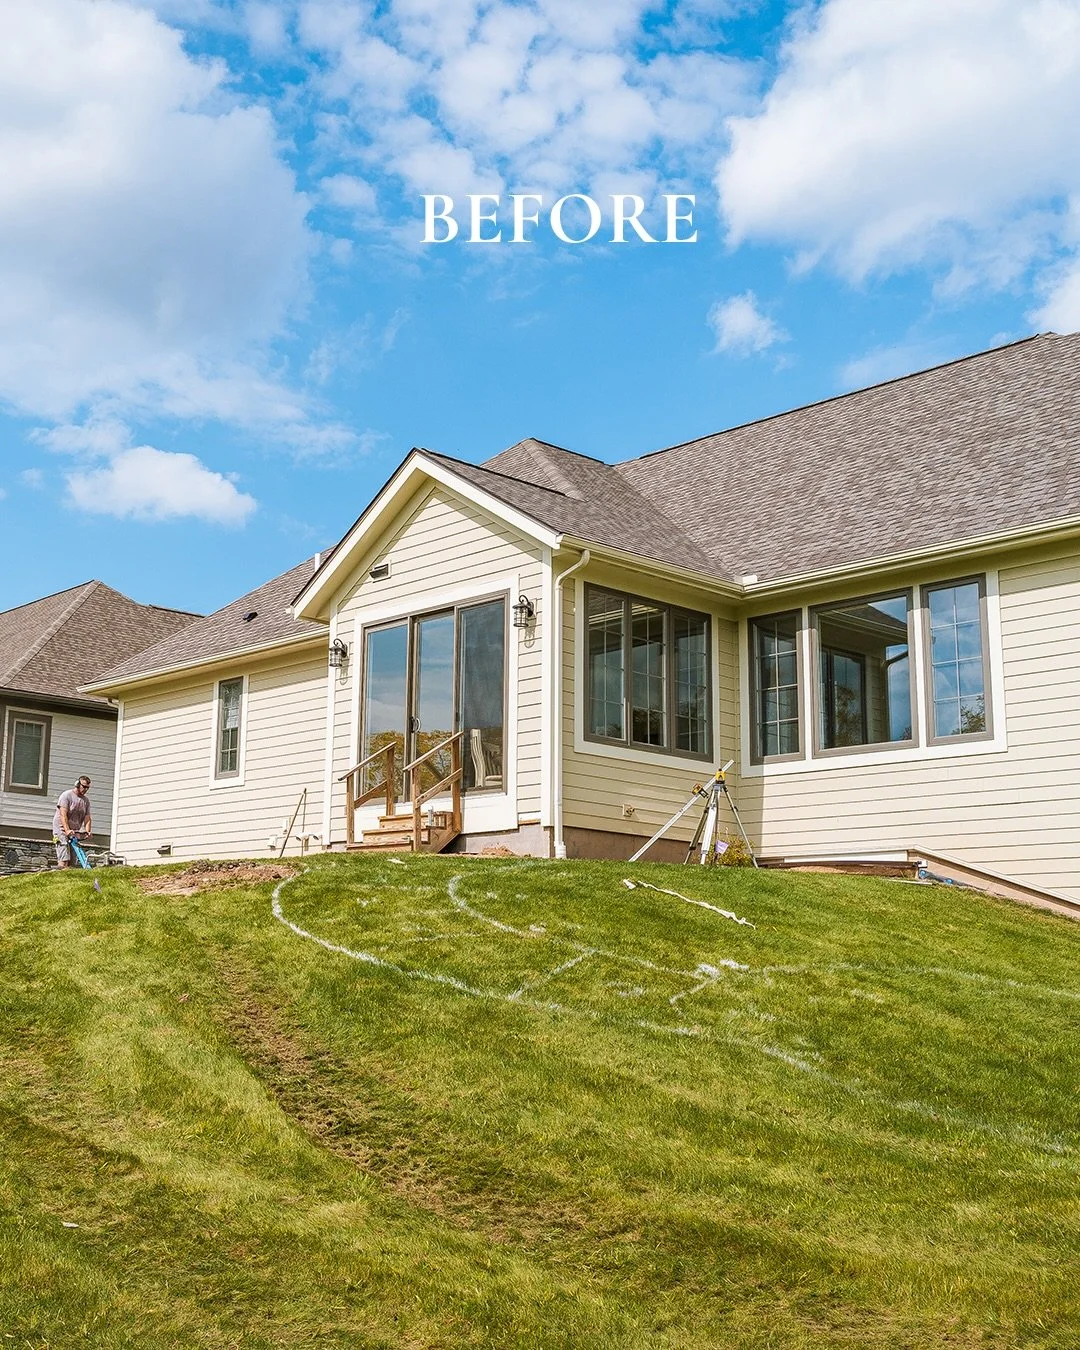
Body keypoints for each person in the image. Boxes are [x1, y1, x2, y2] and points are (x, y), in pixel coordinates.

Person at [53, 776, 92, 868]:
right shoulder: (66, 796)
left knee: (73, 862)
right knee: (64, 860)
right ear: (77, 784)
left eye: (88, 788)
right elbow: (63, 815)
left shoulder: (86, 801)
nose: (85, 790)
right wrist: (66, 830)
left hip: (74, 832)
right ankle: (61, 876)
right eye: (84, 787)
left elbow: (87, 818)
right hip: (61, 830)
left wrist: (88, 831)